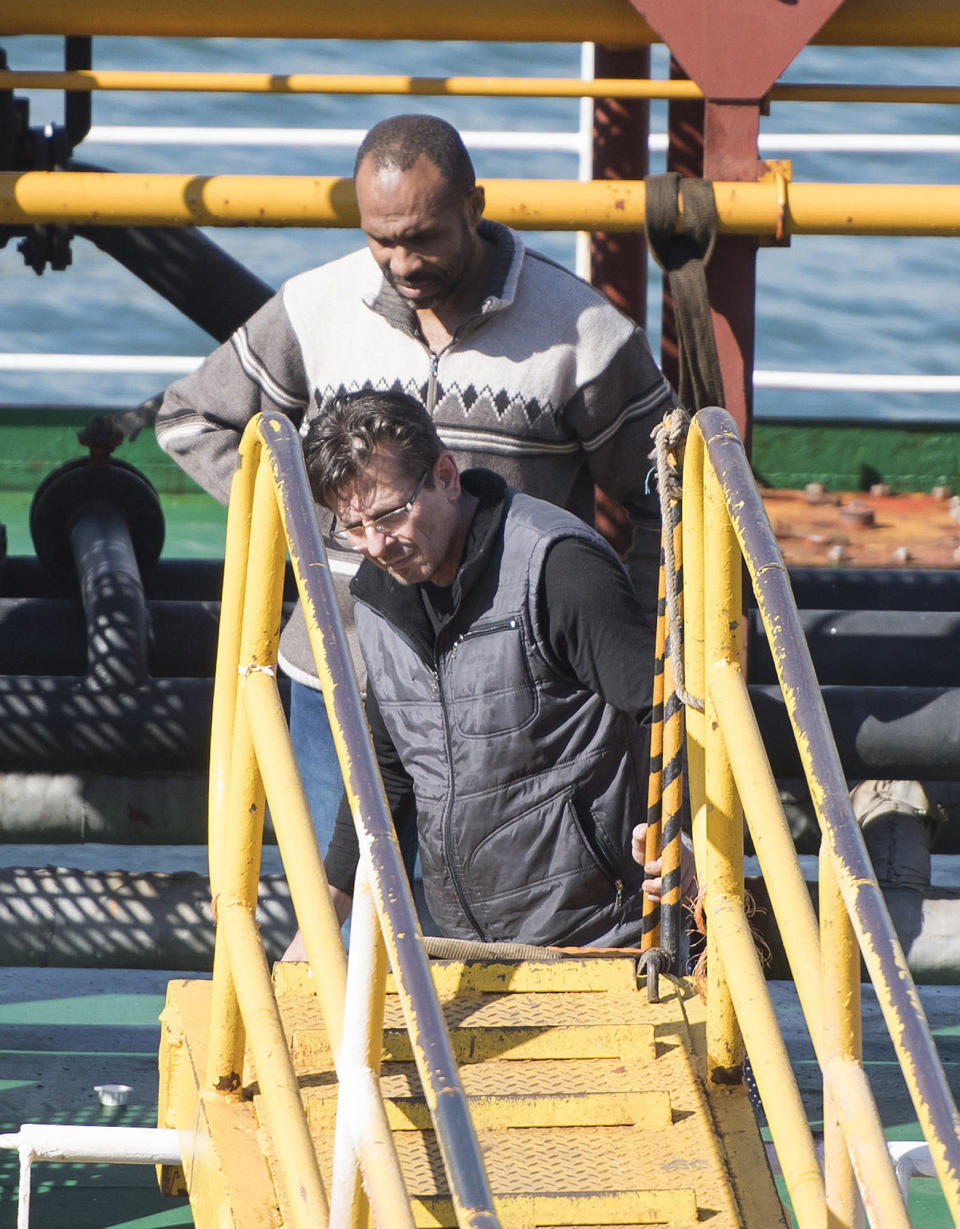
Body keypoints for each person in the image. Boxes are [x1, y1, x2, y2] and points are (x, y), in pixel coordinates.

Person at [155, 113, 679, 878]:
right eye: (381, 239)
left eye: (424, 236)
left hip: (510, 706)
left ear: (476, 205)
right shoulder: (316, 307)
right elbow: (191, 418)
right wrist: (305, 527)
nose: (401, 261)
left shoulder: (581, 333)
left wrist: (628, 633)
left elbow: (670, 492)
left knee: (471, 942)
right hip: (334, 679)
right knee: (337, 924)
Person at [304, 389, 658, 947]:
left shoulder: (557, 568)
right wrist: (320, 927)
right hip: (471, 948)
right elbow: (390, 768)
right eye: (354, 527)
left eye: (391, 513)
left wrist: (684, 839)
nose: (376, 545)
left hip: (608, 938)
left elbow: (667, 711)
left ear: (446, 476)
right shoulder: (379, 600)